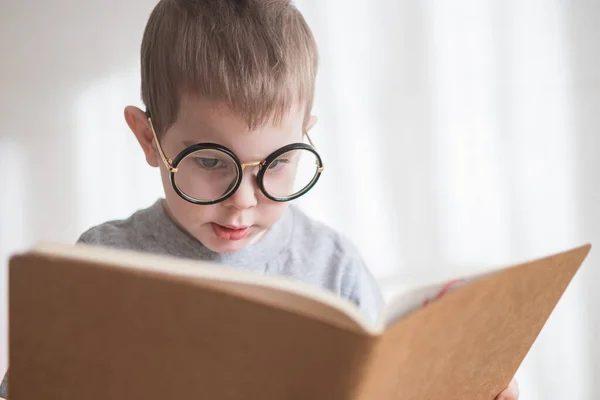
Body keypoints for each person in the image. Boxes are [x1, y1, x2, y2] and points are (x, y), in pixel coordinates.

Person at [0, 1, 519, 398]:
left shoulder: (333, 267)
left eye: (276, 164)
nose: (243, 202)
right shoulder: (98, 265)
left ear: (306, 136)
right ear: (147, 139)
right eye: (209, 161)